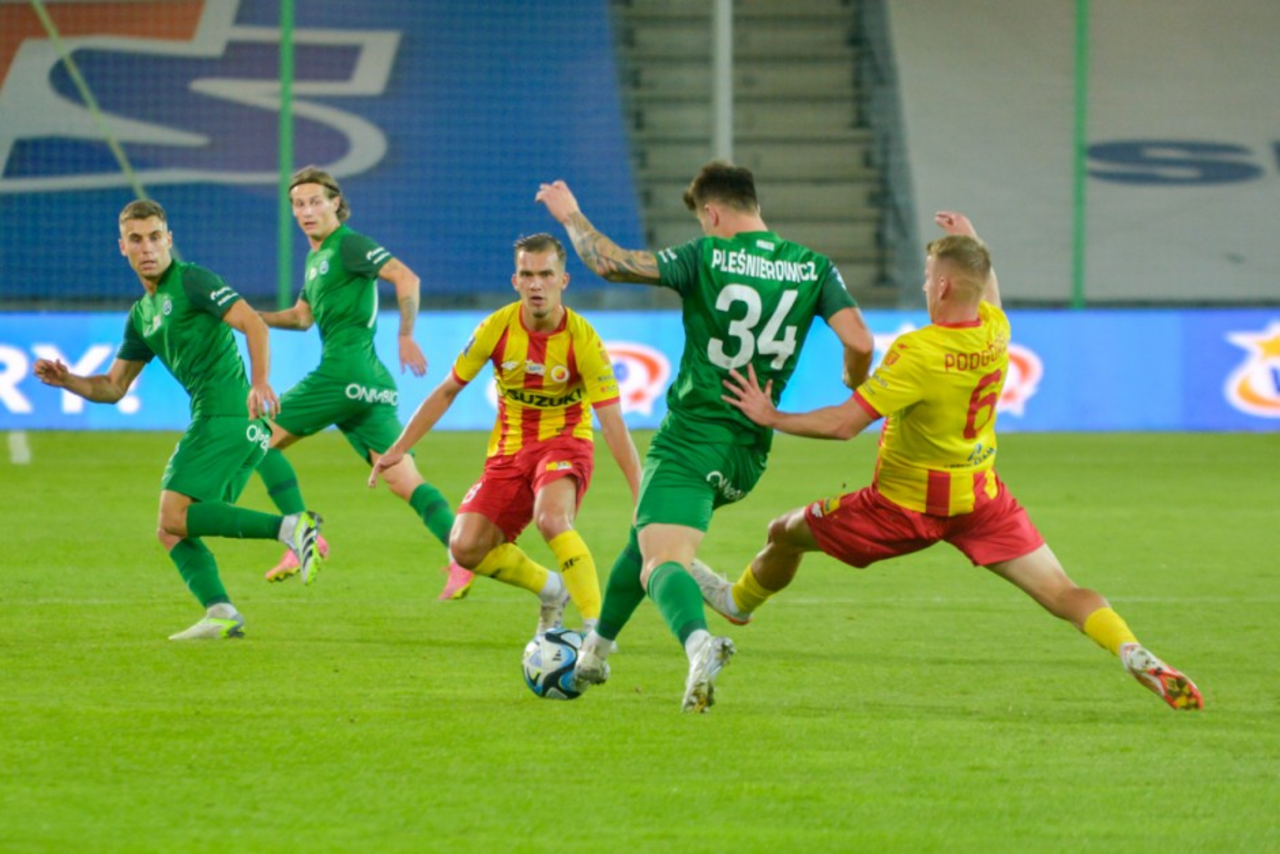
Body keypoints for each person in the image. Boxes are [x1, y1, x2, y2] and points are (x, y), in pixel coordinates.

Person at [695, 210, 1203, 712]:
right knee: (1063, 592)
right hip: (980, 500)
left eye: (927, 277)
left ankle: (738, 602)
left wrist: (771, 415)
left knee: (784, 532)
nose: (924, 286)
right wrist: (973, 242)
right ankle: (1128, 647)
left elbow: (844, 424)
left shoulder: (919, 351)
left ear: (942, 287)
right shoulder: (995, 329)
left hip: (902, 507)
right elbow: (987, 291)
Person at [536, 161, 876, 712]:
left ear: (712, 213)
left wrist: (570, 215)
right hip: (749, 449)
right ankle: (594, 652)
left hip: (693, 437)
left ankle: (700, 646)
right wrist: (852, 378)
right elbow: (860, 341)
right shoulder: (813, 266)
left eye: (701, 219)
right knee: (644, 537)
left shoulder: (707, 255)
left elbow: (608, 263)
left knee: (660, 562)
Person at [34, 199, 322, 640]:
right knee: (172, 530)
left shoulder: (191, 280)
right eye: (136, 240)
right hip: (231, 424)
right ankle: (221, 611)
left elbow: (254, 324)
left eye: (155, 237)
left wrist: (260, 382)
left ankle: (291, 527)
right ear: (122, 247)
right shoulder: (141, 316)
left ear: (169, 240)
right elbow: (113, 387)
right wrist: (68, 380)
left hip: (226, 415)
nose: (147, 248)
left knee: (173, 515)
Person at [369, 233, 642, 638]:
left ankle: (595, 631)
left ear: (563, 280)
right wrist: (399, 448)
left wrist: (640, 491)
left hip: (565, 444)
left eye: (545, 274)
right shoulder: (496, 328)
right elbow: (447, 391)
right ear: (515, 281)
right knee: (465, 547)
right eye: (527, 275)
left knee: (551, 519)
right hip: (509, 452)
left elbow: (613, 422)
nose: (536, 284)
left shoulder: (583, 339)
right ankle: (552, 590)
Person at [253, 166, 467, 598]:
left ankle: (301, 533)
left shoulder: (349, 244)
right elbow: (301, 318)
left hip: (343, 373)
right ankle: (463, 556)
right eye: (298, 204)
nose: (306, 211)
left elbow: (406, 277)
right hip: (372, 384)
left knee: (255, 437)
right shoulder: (317, 259)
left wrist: (405, 334)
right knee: (404, 480)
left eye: (315, 201)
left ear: (335, 203)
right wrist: (249, 318)